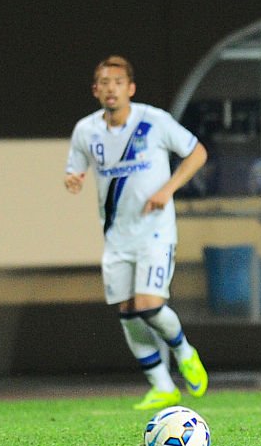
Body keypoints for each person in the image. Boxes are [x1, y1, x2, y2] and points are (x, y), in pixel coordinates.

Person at [65, 55, 209, 410]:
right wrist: (73, 179)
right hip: (116, 235)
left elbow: (197, 153)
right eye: (104, 82)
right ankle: (161, 384)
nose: (110, 88)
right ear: (95, 90)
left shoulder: (153, 121)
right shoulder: (86, 130)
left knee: (148, 304)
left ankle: (184, 351)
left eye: (117, 81)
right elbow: (76, 169)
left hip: (155, 232)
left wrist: (167, 190)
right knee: (127, 310)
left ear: (130, 88)